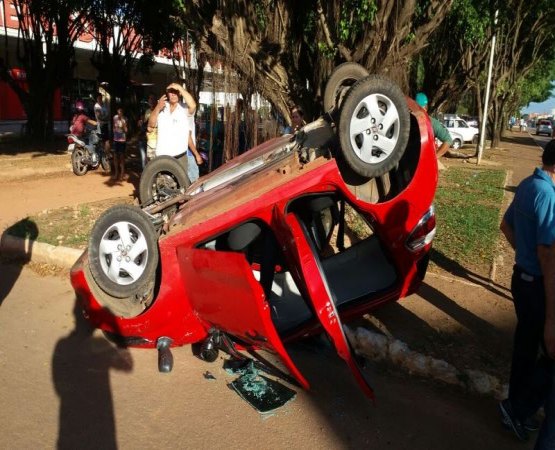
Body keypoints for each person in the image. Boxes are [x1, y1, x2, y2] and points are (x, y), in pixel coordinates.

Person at [499, 139, 555, 446]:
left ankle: (516, 406)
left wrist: (525, 255)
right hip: (536, 283)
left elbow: (506, 227)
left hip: (522, 278)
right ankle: (517, 409)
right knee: (544, 351)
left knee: (525, 348)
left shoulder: (527, 184)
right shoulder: (548, 195)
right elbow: (548, 254)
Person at [148, 82, 197, 175]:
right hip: (161, 157)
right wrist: (157, 108)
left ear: (179, 93)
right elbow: (151, 125)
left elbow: (193, 105)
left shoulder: (184, 108)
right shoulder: (161, 108)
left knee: (181, 187)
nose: (173, 94)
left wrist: (180, 87)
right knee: (161, 186)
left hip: (179, 157)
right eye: (171, 92)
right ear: (167, 94)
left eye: (176, 91)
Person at [415, 92, 453, 159]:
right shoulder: (409, 121)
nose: (417, 112)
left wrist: (434, 158)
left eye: (420, 109)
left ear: (426, 108)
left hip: (425, 161)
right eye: (415, 109)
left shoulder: (432, 123)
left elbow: (448, 140)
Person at [137, 94, 156, 170]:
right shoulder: (147, 111)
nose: (151, 101)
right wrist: (141, 123)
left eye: (152, 99)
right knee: (144, 161)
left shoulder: (159, 111)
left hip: (154, 141)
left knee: (154, 164)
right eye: (150, 99)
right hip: (145, 139)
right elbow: (144, 125)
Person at [186, 114, 204, 183]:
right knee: (194, 181)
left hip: (186, 153)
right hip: (189, 153)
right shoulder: (189, 117)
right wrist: (197, 155)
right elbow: (188, 138)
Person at [112, 106, 128, 181]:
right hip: (115, 139)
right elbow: (113, 126)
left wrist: (122, 122)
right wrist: (114, 130)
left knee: (121, 157)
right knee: (115, 156)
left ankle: (122, 173)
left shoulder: (125, 119)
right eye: (118, 112)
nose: (119, 114)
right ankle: (116, 173)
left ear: (122, 113)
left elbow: (126, 130)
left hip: (122, 140)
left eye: (120, 112)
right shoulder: (114, 118)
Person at [94, 92, 111, 158]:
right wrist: (105, 118)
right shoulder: (96, 106)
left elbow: (108, 115)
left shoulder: (104, 105)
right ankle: (103, 155)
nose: (100, 99)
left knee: (106, 140)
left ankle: (106, 154)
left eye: (101, 98)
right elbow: (99, 117)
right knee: (102, 140)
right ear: (97, 99)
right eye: (99, 98)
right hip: (100, 125)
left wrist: (105, 118)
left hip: (106, 124)